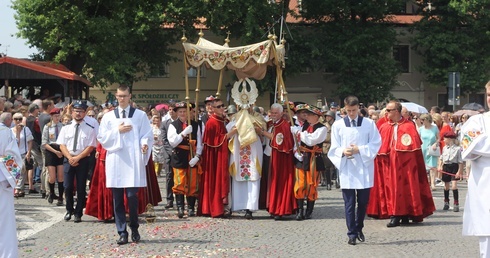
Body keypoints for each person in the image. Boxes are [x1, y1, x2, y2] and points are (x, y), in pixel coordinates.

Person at [98, 84, 153, 245]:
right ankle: (122, 231)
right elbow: (102, 137)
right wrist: (117, 131)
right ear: (116, 96)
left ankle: (134, 226)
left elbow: (147, 134)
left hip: (133, 160)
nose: (122, 99)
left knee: (131, 196)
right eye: (119, 96)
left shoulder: (140, 115)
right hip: (116, 159)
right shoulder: (108, 117)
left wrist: (144, 144)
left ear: (130, 96)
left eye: (125, 96)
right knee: (117, 199)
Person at [368, 101, 435, 227]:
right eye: (386, 110)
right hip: (389, 166)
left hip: (405, 166)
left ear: (397, 111)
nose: (386, 113)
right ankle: (394, 213)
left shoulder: (409, 126)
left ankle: (406, 213)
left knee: (406, 188)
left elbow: (414, 151)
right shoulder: (383, 126)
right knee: (392, 189)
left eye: (389, 110)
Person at [328, 96, 381, 246]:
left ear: (358, 108)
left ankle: (359, 227)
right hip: (348, 168)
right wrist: (343, 151)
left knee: (363, 202)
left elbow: (376, 143)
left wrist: (360, 149)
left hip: (364, 167)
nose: (351, 113)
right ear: (344, 109)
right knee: (349, 203)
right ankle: (351, 233)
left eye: (354, 110)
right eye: (348, 111)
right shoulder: (338, 125)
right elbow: (334, 147)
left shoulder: (369, 124)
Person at [460, 80, 490, 256]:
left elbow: (481, 143)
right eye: (488, 95)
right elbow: (470, 144)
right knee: (487, 237)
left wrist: (483, 141)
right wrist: (480, 143)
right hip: (485, 187)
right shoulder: (476, 120)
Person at [57, 101, 97, 223]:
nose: (78, 113)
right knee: (67, 186)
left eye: (81, 111)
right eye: (76, 111)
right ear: (72, 112)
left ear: (85, 113)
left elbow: (90, 147)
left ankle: (78, 212)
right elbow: (62, 145)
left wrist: (78, 158)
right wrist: (70, 157)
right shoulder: (66, 127)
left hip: (83, 160)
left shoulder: (89, 129)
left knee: (80, 187)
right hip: (68, 159)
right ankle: (69, 209)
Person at [291, 104, 327, 221]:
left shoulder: (322, 128)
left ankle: (309, 211)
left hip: (314, 159)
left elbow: (311, 141)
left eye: (310, 114)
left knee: (312, 186)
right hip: (303, 158)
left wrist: (299, 133)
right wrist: (297, 153)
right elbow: (298, 141)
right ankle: (300, 210)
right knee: (300, 184)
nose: (307, 116)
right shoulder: (304, 126)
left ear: (317, 116)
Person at [167, 102, 204, 218]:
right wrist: (183, 133)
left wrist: (197, 156)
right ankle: (180, 208)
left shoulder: (196, 125)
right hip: (179, 156)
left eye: (185, 111)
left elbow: (200, 142)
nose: (183, 114)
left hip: (192, 155)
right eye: (180, 112)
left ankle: (191, 207)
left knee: (193, 182)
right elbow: (173, 142)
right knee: (180, 182)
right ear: (177, 113)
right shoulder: (173, 125)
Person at [262, 103, 296, 220]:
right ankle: (273, 207)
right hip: (270, 156)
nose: (273, 115)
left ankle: (280, 209)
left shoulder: (284, 125)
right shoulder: (271, 124)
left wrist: (262, 132)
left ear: (281, 113)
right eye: (272, 112)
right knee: (272, 183)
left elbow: (278, 140)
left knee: (279, 183)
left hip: (281, 160)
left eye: (276, 113)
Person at [198, 98, 232, 218]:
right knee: (215, 180)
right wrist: (230, 134)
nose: (222, 108)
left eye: (223, 105)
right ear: (212, 109)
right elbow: (215, 141)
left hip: (220, 155)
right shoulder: (212, 122)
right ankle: (214, 208)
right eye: (219, 106)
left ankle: (222, 206)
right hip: (214, 158)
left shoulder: (221, 120)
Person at [228, 106, 263, 219]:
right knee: (239, 178)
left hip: (253, 153)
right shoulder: (235, 119)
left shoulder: (257, 118)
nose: (246, 108)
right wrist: (236, 126)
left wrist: (256, 128)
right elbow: (228, 129)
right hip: (239, 153)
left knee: (252, 178)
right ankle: (239, 205)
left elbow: (262, 129)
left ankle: (250, 208)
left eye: (248, 105)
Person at [0, 112, 22, 258]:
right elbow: (14, 157)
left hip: (1, 181)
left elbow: (13, 157)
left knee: (4, 222)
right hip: (3, 178)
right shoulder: (5, 132)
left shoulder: (4, 132)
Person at [41, 107, 65, 205]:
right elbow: (44, 143)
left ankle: (60, 197)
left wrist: (62, 151)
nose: (57, 118)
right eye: (55, 116)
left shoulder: (63, 126)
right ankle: (51, 192)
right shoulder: (47, 127)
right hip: (51, 151)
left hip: (61, 149)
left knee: (60, 176)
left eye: (58, 116)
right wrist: (55, 152)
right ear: (51, 116)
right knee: (52, 177)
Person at [438, 131, 463, 212]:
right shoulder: (445, 148)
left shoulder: (458, 149)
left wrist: (459, 171)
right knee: (446, 186)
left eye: (445, 138)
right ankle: (446, 202)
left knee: (454, 186)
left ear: (449, 139)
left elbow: (460, 162)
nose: (444, 140)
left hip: (454, 166)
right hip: (446, 166)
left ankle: (456, 203)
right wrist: (440, 166)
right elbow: (441, 158)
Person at [12, 112, 34, 197]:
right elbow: (14, 143)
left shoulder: (26, 129)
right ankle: (18, 188)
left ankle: (18, 188)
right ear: (13, 120)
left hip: (23, 153)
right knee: (15, 172)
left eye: (20, 119)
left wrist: (28, 152)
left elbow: (30, 141)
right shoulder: (10, 131)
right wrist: (17, 132)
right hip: (13, 154)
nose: (18, 121)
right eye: (16, 119)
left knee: (22, 171)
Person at [161, 102, 177, 209]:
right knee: (169, 176)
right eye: (169, 109)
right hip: (168, 154)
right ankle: (169, 200)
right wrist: (171, 150)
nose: (171, 111)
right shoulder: (164, 123)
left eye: (173, 109)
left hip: (180, 153)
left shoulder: (181, 122)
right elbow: (164, 140)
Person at [418, 113, 440, 190]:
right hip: (423, 149)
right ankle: (426, 183)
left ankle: (433, 183)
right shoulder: (420, 129)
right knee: (423, 167)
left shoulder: (434, 128)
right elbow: (417, 139)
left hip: (432, 149)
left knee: (432, 167)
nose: (421, 122)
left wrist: (435, 144)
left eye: (422, 120)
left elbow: (438, 138)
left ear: (427, 120)